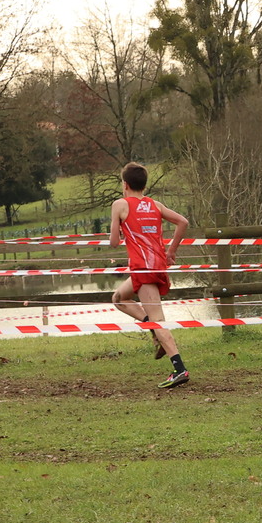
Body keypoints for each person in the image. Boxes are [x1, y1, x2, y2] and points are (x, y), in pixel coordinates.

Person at [109, 162, 190, 389]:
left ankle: (179, 369)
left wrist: (118, 226)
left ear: (125, 184)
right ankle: (153, 329)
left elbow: (114, 242)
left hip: (143, 268)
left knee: (158, 320)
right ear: (144, 185)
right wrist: (171, 251)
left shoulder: (120, 204)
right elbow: (183, 222)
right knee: (119, 298)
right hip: (154, 266)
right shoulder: (155, 204)